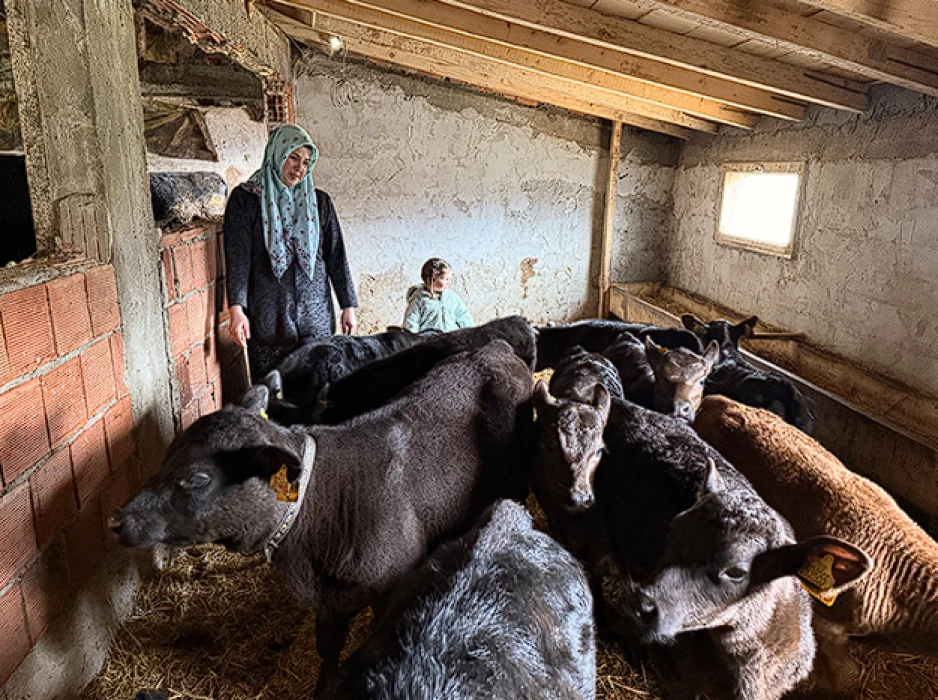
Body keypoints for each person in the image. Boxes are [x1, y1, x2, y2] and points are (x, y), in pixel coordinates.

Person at [224, 124, 358, 378]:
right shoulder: (246, 200)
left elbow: (336, 256)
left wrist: (348, 305)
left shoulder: (320, 202)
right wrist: (237, 309)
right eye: (293, 158)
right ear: (277, 153)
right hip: (269, 320)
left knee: (319, 396)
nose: (300, 168)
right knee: (273, 398)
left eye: (306, 162)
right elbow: (237, 260)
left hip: (316, 320)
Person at [402, 258, 474, 333]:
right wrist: (411, 339)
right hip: (428, 339)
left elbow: (463, 315)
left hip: (451, 337)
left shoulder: (452, 297)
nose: (448, 282)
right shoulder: (419, 299)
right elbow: (411, 321)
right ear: (430, 280)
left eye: (449, 279)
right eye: (444, 279)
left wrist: (470, 333)